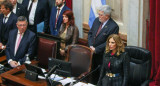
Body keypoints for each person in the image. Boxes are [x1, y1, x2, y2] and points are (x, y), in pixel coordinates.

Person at [88, 5, 119, 84]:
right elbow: (90, 34)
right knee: (91, 75)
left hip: (102, 56)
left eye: (101, 15)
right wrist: (91, 45)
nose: (99, 16)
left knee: (101, 78)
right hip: (92, 54)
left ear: (107, 16)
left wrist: (97, 49)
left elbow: (109, 43)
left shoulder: (114, 26)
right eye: (99, 14)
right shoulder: (96, 20)